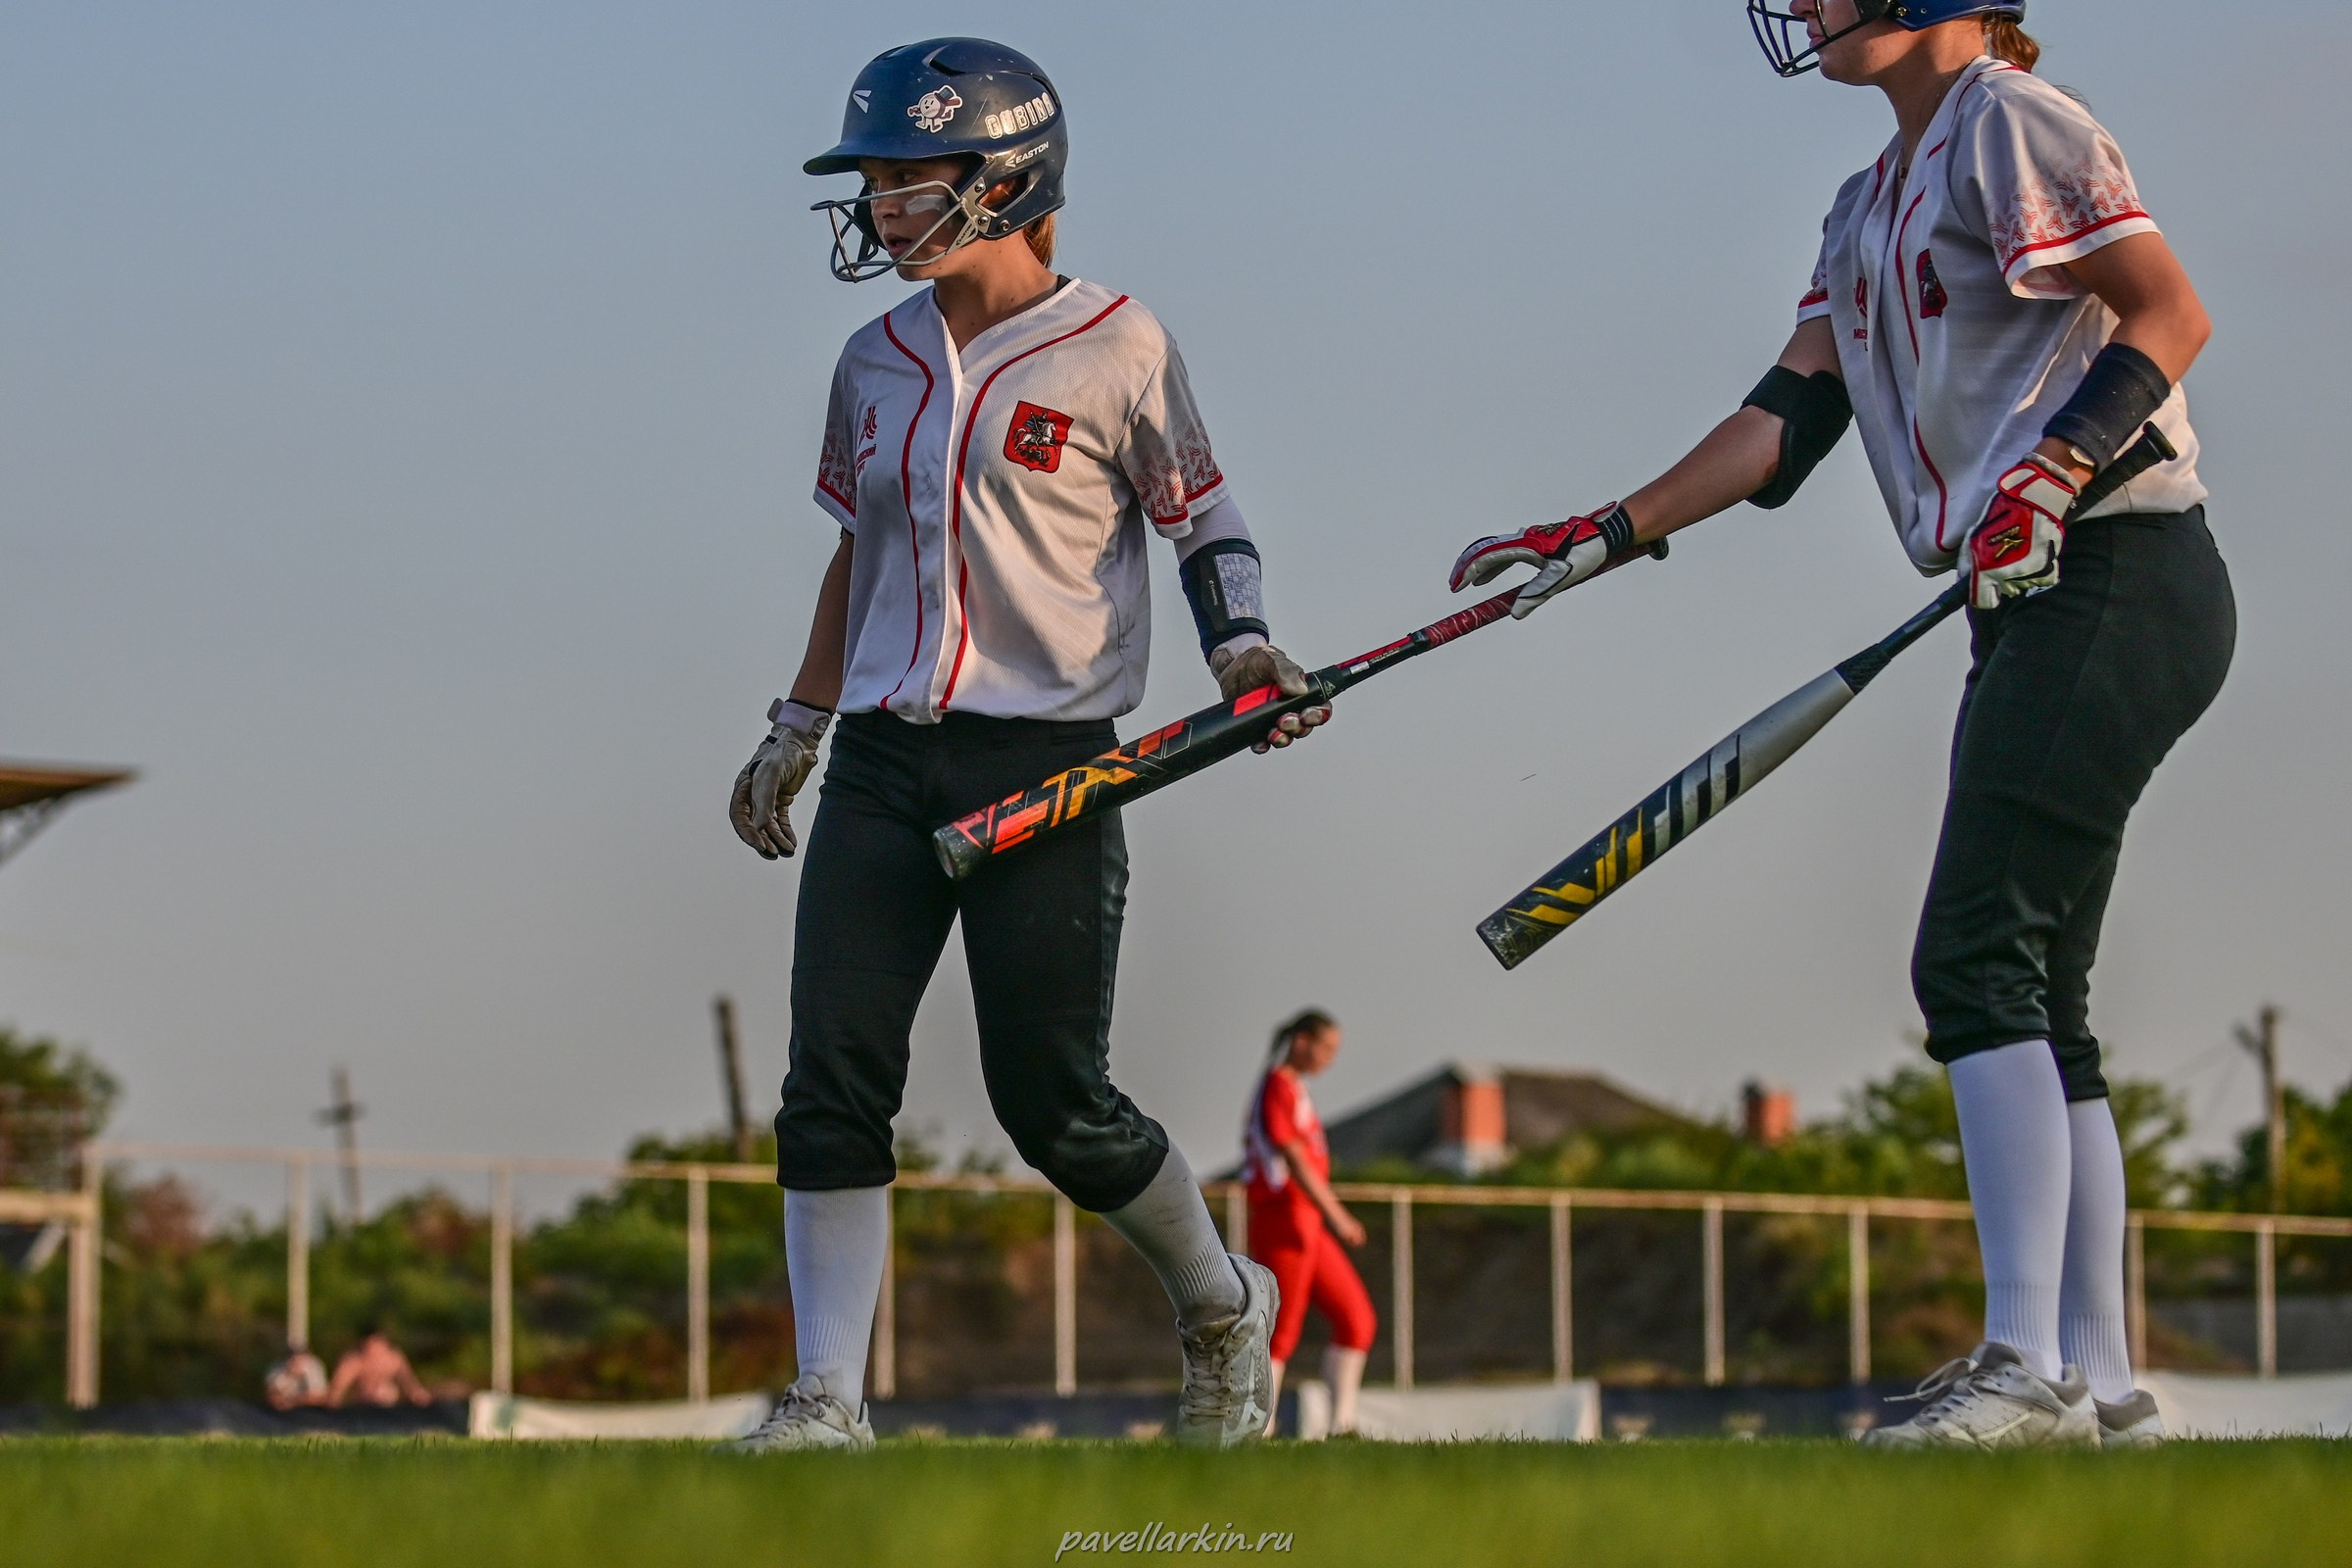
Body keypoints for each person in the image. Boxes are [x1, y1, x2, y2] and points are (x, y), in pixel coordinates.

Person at [1448, 2, 2229, 1448]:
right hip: (2037, 591)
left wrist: (2053, 468)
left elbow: (2169, 310)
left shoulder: (2009, 121)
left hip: (2119, 564)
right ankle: (2105, 1386)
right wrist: (1609, 532)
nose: (1803, 6)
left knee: (1977, 954)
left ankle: (2025, 1368)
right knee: (2038, 989)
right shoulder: (1868, 200)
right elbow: (1785, 423)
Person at [723, 38, 1328, 1453]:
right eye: (869, 181)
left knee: (1054, 1103)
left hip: (1048, 766)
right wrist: (796, 724)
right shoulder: (868, 363)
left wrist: (1242, 647)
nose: (878, 207)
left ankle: (1222, 1301)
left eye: (905, 178)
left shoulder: (1122, 342)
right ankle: (826, 1402)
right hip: (881, 756)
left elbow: (1206, 518)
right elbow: (856, 560)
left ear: (1007, 182)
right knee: (833, 1076)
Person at [1242, 1010, 1376, 1438]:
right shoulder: (1277, 1085)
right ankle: (1257, 1429)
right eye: (1326, 1048)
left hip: (1308, 1224)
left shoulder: (1295, 1089)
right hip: (1284, 1218)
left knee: (1357, 1320)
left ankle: (1344, 1427)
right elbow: (1294, 1158)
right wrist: (1337, 1214)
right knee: (1281, 1331)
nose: (1329, 1059)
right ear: (1302, 1041)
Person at [326, 1326, 432, 1407]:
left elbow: (411, 1385)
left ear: (384, 1343)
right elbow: (336, 1390)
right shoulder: (353, 1362)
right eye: (369, 1345)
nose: (373, 1350)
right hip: (364, 1407)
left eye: (376, 1344)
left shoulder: (394, 1359)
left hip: (390, 1406)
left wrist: (419, 1396)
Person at [262, 1343, 329, 1410]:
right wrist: (291, 1376)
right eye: (293, 1357)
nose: (297, 1361)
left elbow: (319, 1397)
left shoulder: (314, 1366)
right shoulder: (276, 1369)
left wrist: (293, 1401)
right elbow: (271, 1396)